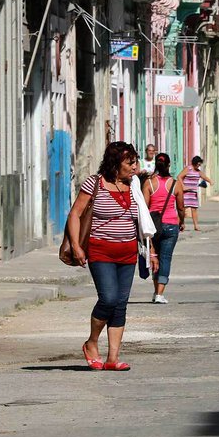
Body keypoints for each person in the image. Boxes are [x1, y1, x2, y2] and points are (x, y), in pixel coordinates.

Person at [66, 141, 155, 371]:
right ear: (115, 164)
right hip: (100, 251)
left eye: (135, 162)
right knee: (108, 298)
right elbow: (75, 214)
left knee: (121, 304)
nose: (135, 166)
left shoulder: (134, 185)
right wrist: (76, 245)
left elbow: (142, 220)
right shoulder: (95, 183)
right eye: (130, 162)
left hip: (128, 254)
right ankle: (92, 342)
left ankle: (113, 358)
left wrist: (150, 250)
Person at [143, 152, 186, 305]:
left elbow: (144, 207)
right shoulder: (176, 184)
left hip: (154, 227)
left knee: (155, 257)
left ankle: (156, 292)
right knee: (165, 258)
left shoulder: (149, 183)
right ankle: (160, 294)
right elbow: (181, 207)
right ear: (169, 166)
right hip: (170, 225)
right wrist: (182, 221)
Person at [178, 156, 211, 232]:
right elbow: (179, 176)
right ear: (194, 163)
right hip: (186, 193)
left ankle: (196, 226)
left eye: (199, 165)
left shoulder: (198, 171)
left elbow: (204, 177)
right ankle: (180, 224)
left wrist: (210, 181)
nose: (199, 166)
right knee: (182, 210)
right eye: (198, 164)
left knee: (194, 209)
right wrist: (183, 186)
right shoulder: (188, 169)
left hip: (193, 193)